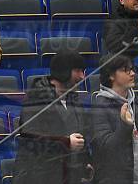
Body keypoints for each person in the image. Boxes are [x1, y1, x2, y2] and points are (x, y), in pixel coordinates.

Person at [13, 50, 92, 183]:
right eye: (78, 71)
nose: (82, 77)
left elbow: (80, 138)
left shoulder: (74, 101)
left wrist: (86, 163)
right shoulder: (36, 99)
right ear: (64, 71)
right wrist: (66, 142)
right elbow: (31, 139)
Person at [92, 54, 138, 184]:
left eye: (132, 69)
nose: (132, 73)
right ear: (111, 75)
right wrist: (125, 126)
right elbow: (107, 149)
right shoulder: (99, 107)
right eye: (125, 70)